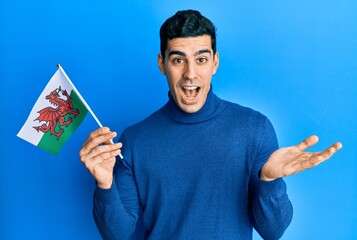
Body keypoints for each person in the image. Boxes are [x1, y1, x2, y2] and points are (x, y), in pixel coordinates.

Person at [79, 10, 342, 240]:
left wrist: (269, 181)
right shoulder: (135, 140)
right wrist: (105, 185)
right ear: (162, 64)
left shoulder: (254, 129)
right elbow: (117, 233)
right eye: (178, 60)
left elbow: (273, 232)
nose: (190, 73)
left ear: (215, 62)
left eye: (201, 59)